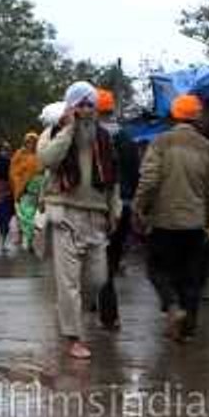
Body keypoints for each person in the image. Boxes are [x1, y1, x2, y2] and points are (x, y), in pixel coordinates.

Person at [37, 81, 122, 360]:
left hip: (96, 217)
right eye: (80, 105)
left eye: (90, 105)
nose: (86, 110)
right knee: (69, 281)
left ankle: (69, 315)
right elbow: (48, 160)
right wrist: (69, 130)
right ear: (71, 106)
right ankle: (73, 337)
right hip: (64, 213)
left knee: (97, 279)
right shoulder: (53, 133)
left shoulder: (104, 139)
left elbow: (113, 181)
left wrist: (114, 210)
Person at [134, 94, 209, 342]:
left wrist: (139, 207)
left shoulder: (161, 142)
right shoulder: (207, 147)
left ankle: (172, 306)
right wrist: (207, 217)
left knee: (157, 269)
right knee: (192, 275)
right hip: (195, 223)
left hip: (164, 221)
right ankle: (188, 328)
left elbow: (150, 180)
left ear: (173, 116)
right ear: (197, 118)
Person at [94, 88, 140, 331]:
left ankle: (108, 314)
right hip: (125, 206)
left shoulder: (93, 138)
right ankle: (105, 309)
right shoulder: (127, 138)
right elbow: (136, 174)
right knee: (110, 260)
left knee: (99, 260)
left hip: (99, 206)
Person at [9, 132, 43, 251]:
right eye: (29, 142)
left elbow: (43, 171)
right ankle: (28, 238)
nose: (31, 144)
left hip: (36, 190)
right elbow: (13, 172)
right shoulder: (19, 154)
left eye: (34, 142)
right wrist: (20, 182)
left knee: (31, 214)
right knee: (23, 214)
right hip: (23, 190)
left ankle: (28, 239)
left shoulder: (40, 154)